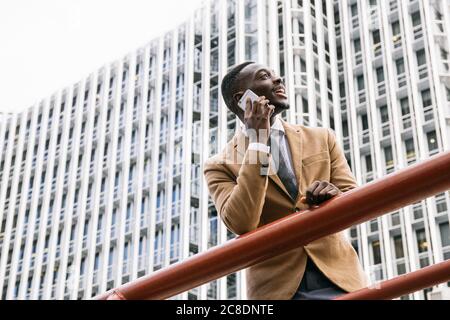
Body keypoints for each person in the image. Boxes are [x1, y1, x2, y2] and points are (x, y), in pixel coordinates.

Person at [203, 61, 368, 300]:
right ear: (242, 98)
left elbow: (355, 201)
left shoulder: (322, 138)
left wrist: (334, 195)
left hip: (342, 278)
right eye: (265, 76)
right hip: (278, 289)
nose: (279, 80)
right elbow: (241, 222)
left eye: (276, 75)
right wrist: (258, 141)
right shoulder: (219, 165)